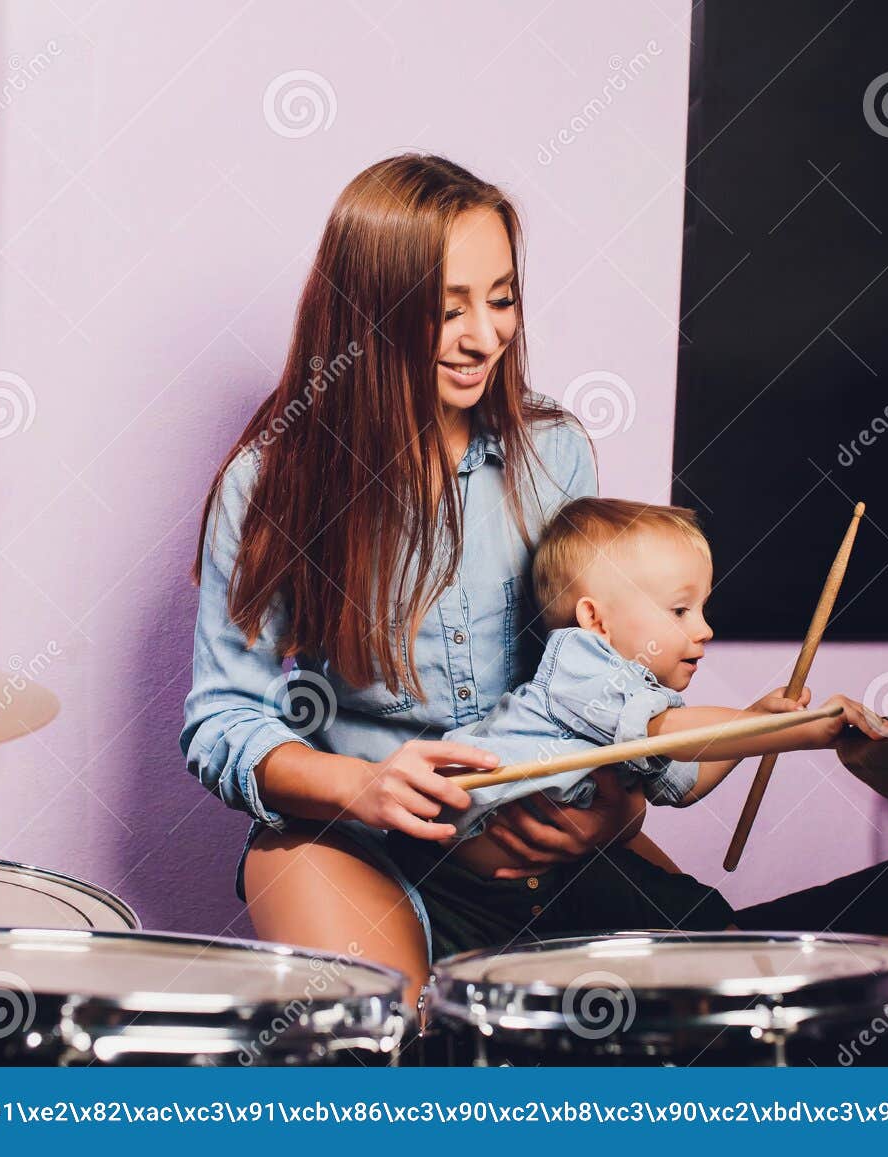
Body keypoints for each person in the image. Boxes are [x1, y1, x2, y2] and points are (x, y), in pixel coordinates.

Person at [182, 153, 660, 1002]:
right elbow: (224, 716)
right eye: (448, 311)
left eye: (502, 297)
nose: (486, 336)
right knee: (394, 1046)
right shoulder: (268, 481)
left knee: (699, 1009)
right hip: (350, 837)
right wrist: (360, 786)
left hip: (531, 824)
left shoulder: (556, 454)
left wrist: (619, 805)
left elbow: (597, 669)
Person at [384, 496, 888, 960]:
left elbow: (683, 782)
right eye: (680, 610)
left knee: (702, 920)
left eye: (702, 609)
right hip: (449, 878)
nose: (705, 628)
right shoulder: (579, 663)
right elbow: (667, 733)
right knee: (693, 927)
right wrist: (802, 730)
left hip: (553, 874)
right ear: (596, 621)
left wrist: (757, 725)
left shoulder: (634, 702)